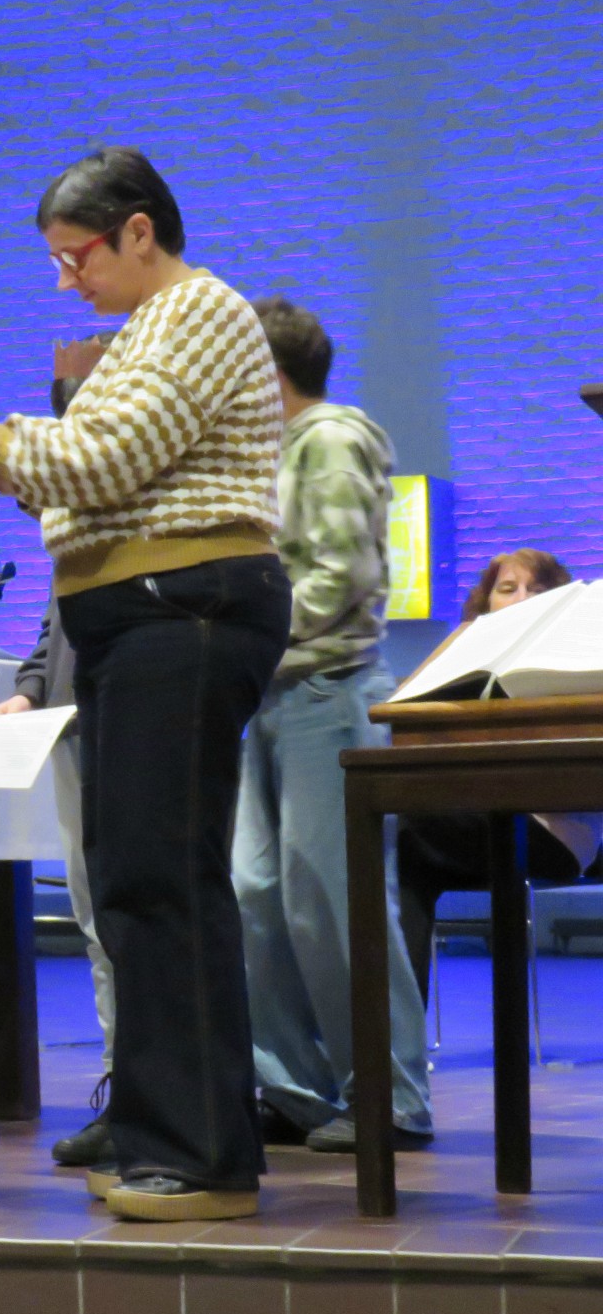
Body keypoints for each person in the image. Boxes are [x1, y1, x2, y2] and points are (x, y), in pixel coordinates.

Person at [0, 148, 291, 1222]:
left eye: (76, 257)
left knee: (167, 880)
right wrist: (25, 460)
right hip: (134, 620)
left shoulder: (196, 311)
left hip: (184, 612)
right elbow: (75, 497)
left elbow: (100, 462)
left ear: (139, 232)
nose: (67, 279)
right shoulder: (138, 336)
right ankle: (156, 1117)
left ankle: (205, 1153)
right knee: (123, 887)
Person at [230, 296, 433, 1155]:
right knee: (254, 891)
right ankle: (295, 1088)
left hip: (325, 689)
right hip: (268, 694)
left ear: (264, 374)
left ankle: (390, 1096)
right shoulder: (274, 449)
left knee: (333, 900)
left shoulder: (333, 438)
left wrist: (245, 641)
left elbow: (341, 575)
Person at [0, 334, 116, 1170]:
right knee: (96, 919)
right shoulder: (72, 510)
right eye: (61, 397)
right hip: (73, 724)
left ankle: (169, 1086)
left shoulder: (135, 486)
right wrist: (32, 689)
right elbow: (54, 622)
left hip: (138, 719)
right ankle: (123, 1077)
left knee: (140, 914)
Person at [395, 550, 600, 1001]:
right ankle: (392, 1041)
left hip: (555, 831)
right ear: (486, 603)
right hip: (478, 817)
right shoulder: (467, 654)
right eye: (507, 589)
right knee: (400, 851)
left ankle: (391, 1046)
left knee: (400, 833)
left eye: (538, 590)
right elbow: (401, 716)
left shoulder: (580, 657)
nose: (522, 598)